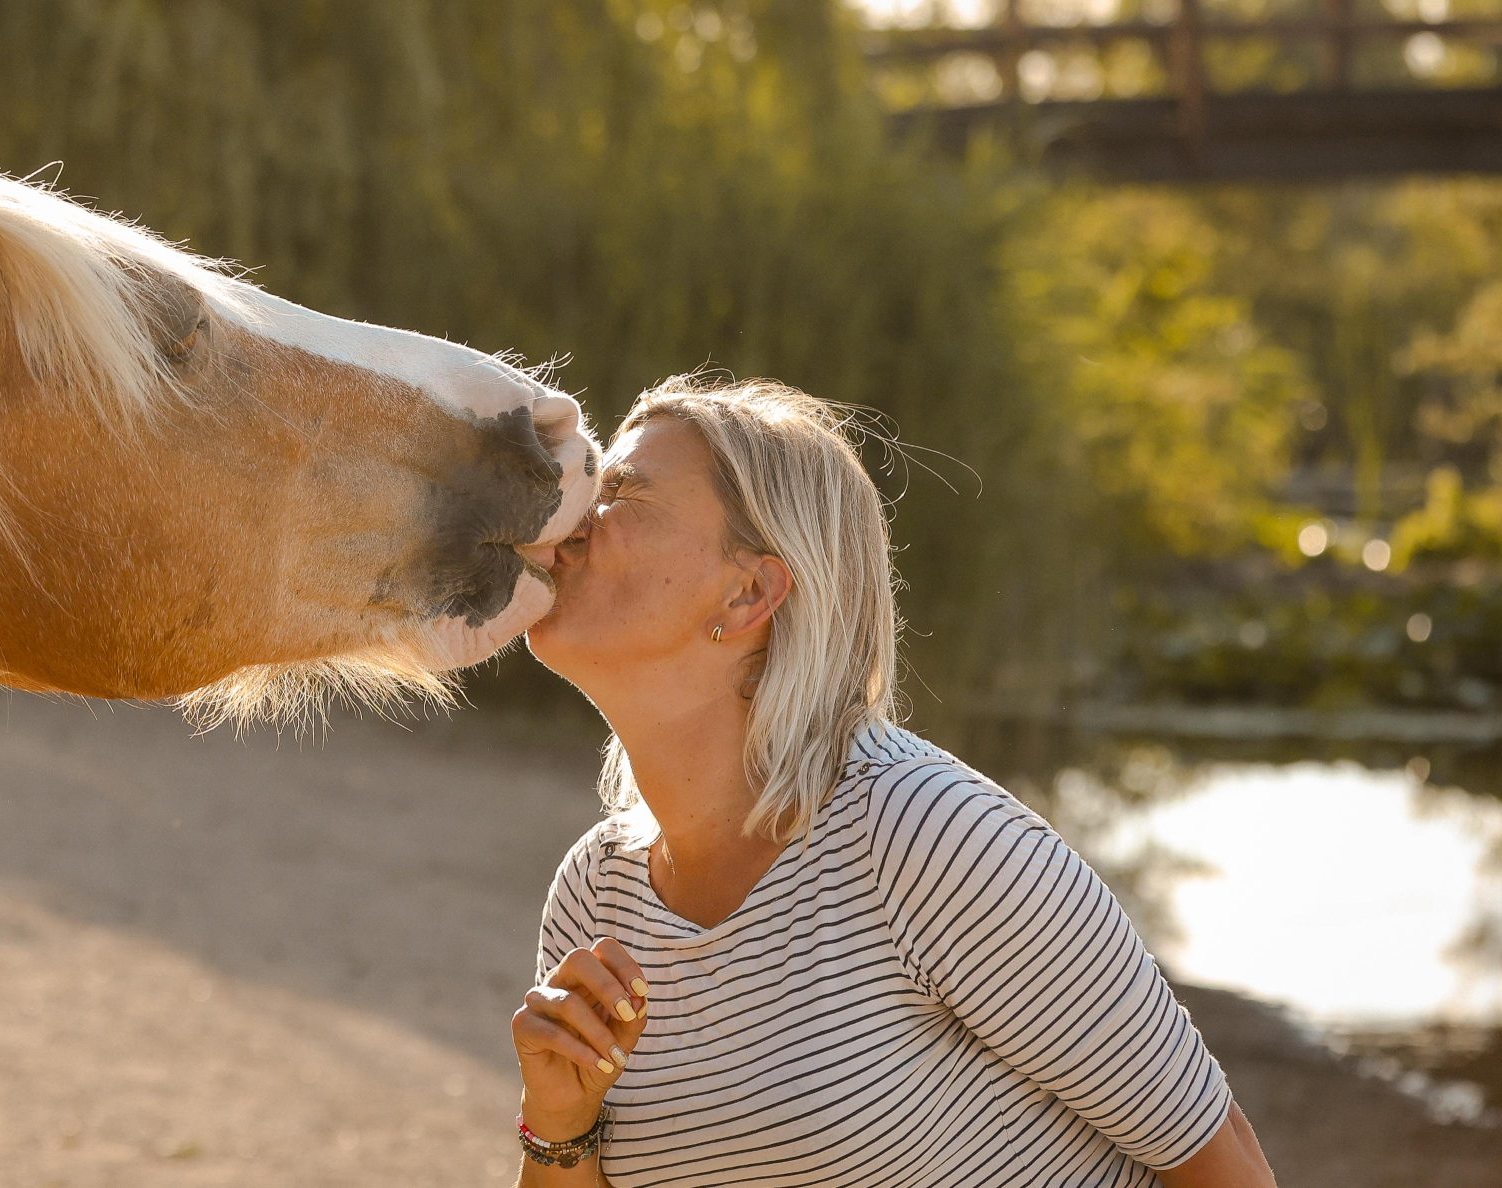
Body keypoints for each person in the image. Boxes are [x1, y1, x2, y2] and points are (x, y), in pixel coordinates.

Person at [509, 374, 1277, 1187]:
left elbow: (1222, 1159)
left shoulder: (928, 836)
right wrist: (559, 1125)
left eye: (619, 492)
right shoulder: (597, 896)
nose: (567, 523)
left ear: (747, 594)